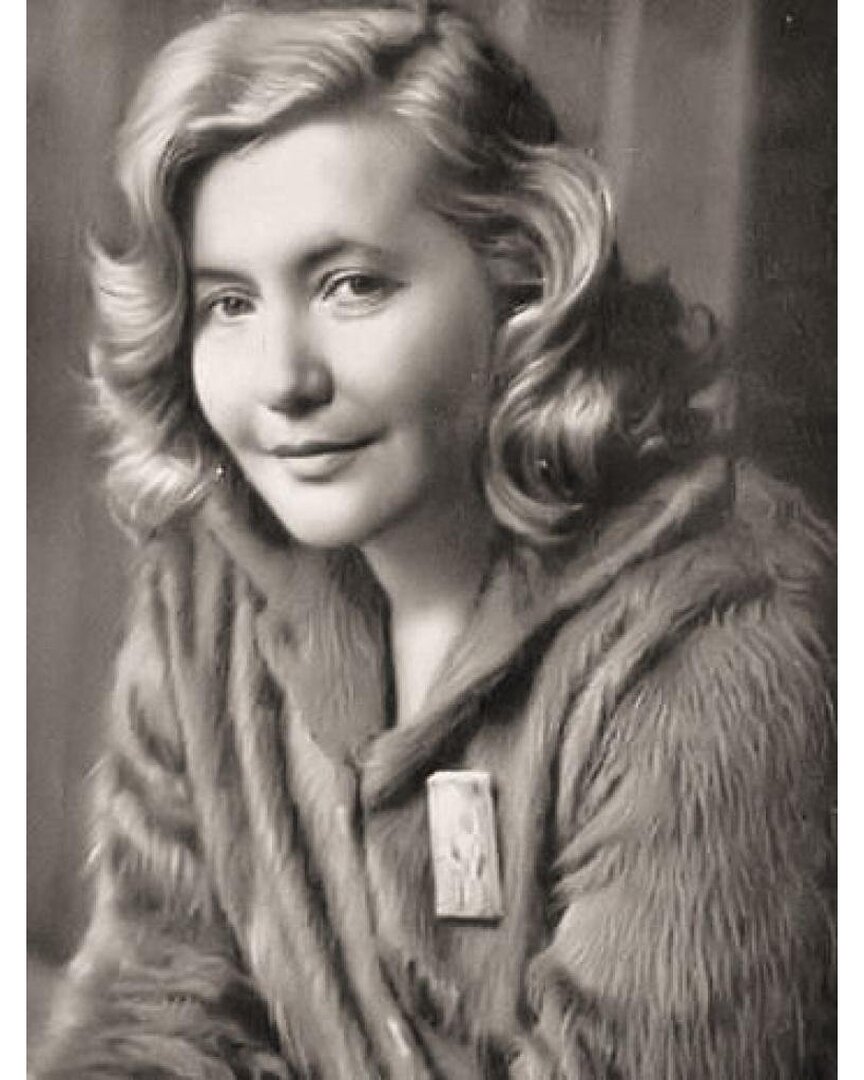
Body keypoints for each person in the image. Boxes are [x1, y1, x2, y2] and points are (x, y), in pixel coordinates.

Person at [34, 3, 835, 1077]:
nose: (283, 380)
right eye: (228, 302)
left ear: (522, 280)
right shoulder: (209, 588)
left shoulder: (724, 639)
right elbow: (149, 1014)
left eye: (352, 285)